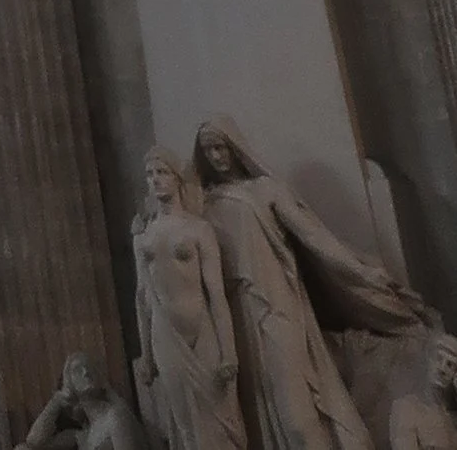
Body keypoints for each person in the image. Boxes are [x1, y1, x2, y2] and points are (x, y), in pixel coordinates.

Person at [192, 118, 422, 450]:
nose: (216, 156)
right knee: (254, 410)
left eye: (221, 146)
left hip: (276, 306)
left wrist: (362, 272)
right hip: (234, 317)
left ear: (235, 147)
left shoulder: (266, 190)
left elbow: (316, 239)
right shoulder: (205, 204)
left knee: (297, 416)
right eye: (208, 150)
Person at [135, 148, 248, 450]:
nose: (155, 180)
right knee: (184, 424)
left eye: (162, 173)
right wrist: (145, 355)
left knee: (222, 420)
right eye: (149, 175)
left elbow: (216, 293)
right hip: (165, 334)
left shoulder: (198, 229)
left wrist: (229, 351)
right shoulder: (143, 237)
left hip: (203, 330)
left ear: (176, 178)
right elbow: (142, 298)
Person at [22, 352, 152, 450]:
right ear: (68, 384)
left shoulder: (115, 415)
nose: (85, 372)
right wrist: (56, 400)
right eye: (77, 370)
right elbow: (32, 442)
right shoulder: (83, 435)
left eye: (90, 368)